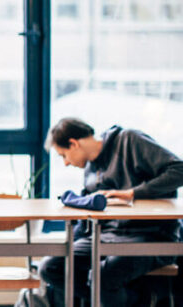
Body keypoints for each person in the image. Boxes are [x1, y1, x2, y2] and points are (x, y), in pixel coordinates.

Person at [38, 117, 183, 306]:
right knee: (51, 267)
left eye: (63, 155)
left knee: (104, 276)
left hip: (152, 236)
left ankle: (123, 300)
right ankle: (132, 300)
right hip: (108, 236)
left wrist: (132, 193)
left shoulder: (129, 141)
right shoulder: (90, 169)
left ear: (73, 144)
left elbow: (179, 170)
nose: (65, 163)